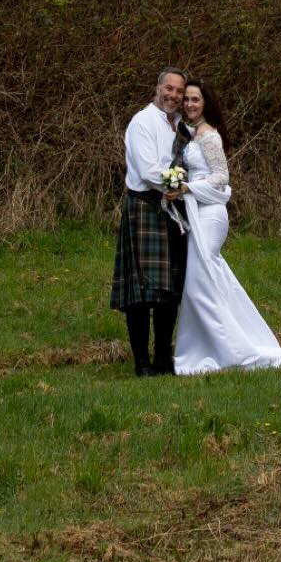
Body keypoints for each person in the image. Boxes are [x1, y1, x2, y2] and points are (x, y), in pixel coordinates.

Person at [172, 80, 281, 377]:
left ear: (206, 103)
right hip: (196, 213)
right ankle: (209, 347)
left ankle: (232, 349)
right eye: (186, 99)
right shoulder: (192, 135)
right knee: (207, 280)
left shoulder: (209, 136)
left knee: (199, 283)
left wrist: (187, 187)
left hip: (210, 215)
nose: (189, 104)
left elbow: (221, 177)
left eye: (195, 99)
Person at [110, 65, 189, 376]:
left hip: (173, 211)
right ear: (158, 88)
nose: (173, 95)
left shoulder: (181, 125)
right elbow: (147, 171)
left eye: (179, 92)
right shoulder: (142, 122)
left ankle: (163, 360)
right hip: (145, 207)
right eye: (169, 89)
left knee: (170, 291)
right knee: (141, 293)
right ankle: (142, 363)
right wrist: (178, 186)